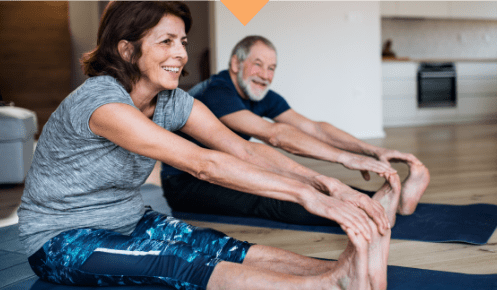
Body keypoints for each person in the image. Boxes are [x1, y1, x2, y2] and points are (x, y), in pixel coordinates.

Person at [17, 1, 391, 290]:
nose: (180, 54)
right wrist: (307, 196)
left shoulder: (173, 101)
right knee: (176, 261)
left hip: (130, 219)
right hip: (61, 239)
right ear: (127, 49)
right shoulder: (101, 103)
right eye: (165, 42)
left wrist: (326, 183)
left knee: (220, 245)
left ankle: (343, 270)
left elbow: (243, 149)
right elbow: (203, 164)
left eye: (182, 41)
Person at [161, 35, 430, 227]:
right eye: (258, 64)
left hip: (229, 165)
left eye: (272, 68)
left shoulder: (259, 93)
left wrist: (372, 150)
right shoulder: (217, 91)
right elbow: (274, 135)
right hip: (187, 183)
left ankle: (376, 202)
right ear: (235, 64)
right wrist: (343, 158)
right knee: (273, 195)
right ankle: (372, 210)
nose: (265, 75)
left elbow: (312, 128)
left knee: (298, 181)